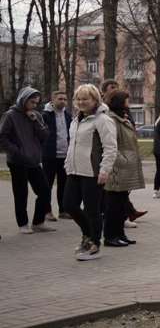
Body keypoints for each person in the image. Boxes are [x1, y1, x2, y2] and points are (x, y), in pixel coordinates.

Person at [63, 84, 118, 261]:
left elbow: (111, 148)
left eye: (85, 99)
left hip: (93, 172)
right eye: (78, 99)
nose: (81, 102)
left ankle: (94, 244)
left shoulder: (102, 120)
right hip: (74, 170)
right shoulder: (75, 120)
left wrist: (105, 170)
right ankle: (88, 235)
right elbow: (72, 145)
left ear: (95, 100)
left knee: (92, 210)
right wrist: (67, 164)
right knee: (69, 205)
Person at [0, 87, 55, 234]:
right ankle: (23, 224)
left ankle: (38, 222)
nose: (34, 105)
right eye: (32, 102)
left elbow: (44, 136)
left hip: (34, 160)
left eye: (37, 103)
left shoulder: (36, 115)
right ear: (23, 99)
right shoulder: (10, 115)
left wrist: (36, 121)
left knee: (44, 191)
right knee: (21, 193)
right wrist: (16, 152)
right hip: (17, 161)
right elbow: (2, 137)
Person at [103, 90, 145, 247]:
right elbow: (110, 145)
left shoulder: (122, 118)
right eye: (126, 101)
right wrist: (123, 160)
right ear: (119, 103)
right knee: (113, 205)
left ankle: (120, 234)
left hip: (125, 168)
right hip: (117, 168)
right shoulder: (111, 120)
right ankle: (109, 236)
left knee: (121, 204)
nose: (128, 104)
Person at [42, 91, 72, 220]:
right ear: (52, 100)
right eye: (60, 99)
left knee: (64, 185)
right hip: (49, 155)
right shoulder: (45, 115)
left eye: (65, 99)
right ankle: (46, 211)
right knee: (46, 184)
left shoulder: (67, 115)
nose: (63, 101)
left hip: (64, 156)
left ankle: (63, 210)